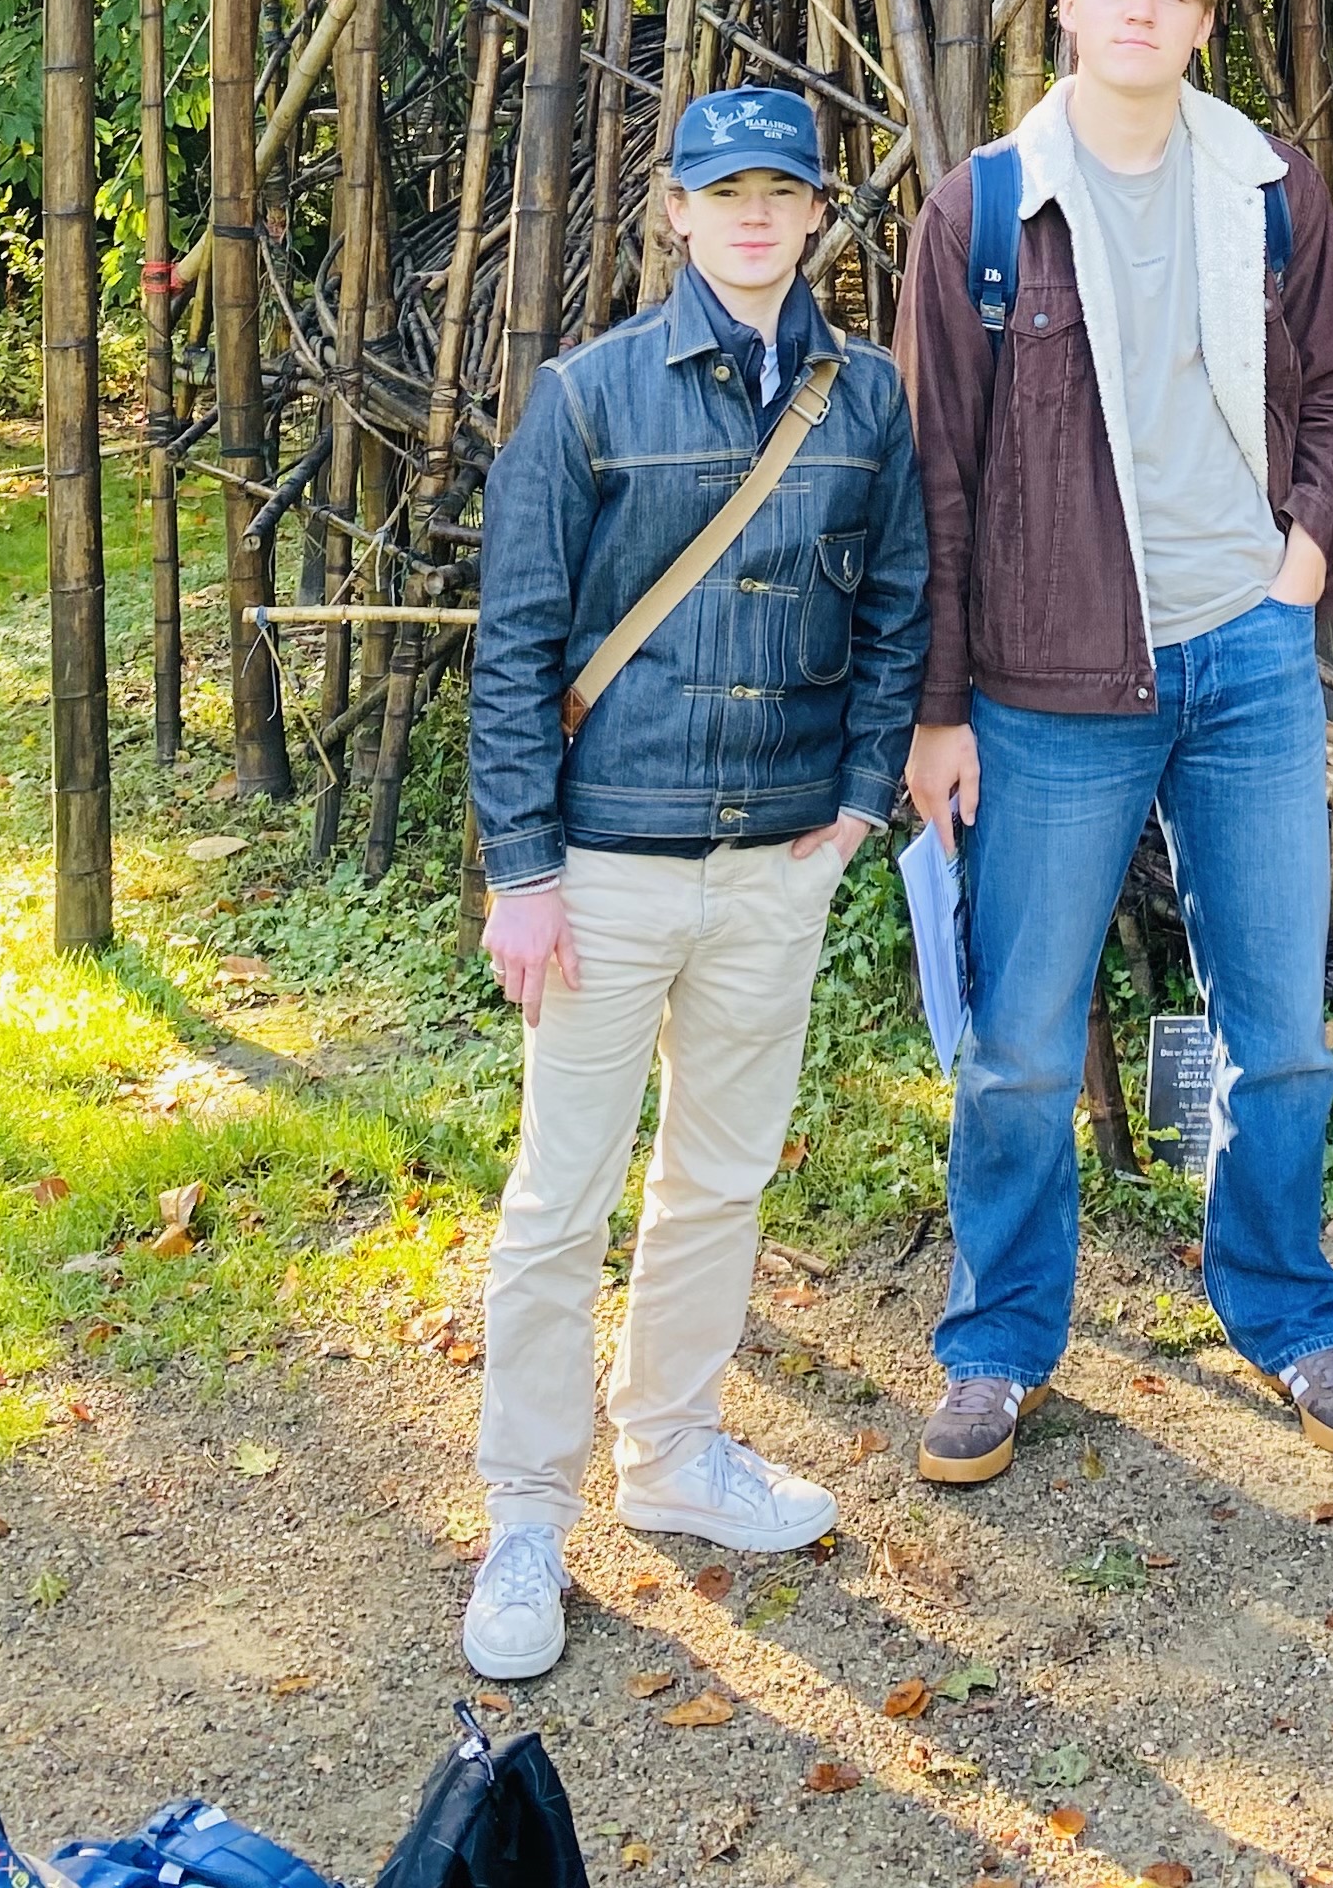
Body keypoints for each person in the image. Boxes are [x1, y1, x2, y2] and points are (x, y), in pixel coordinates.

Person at [896, 0, 1333, 1484]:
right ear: (1064, 4)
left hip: (1243, 655)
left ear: (1200, 17)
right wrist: (939, 708)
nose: (1140, 13)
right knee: (1025, 1041)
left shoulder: (1265, 188)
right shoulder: (986, 210)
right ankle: (995, 1346)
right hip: (1047, 682)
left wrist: (1303, 554)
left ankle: (1288, 1315)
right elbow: (938, 481)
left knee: (1283, 1033)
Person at [460, 85, 929, 1680]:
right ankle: (527, 1508)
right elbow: (516, 643)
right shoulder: (587, 395)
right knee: (559, 1198)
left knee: (720, 1178)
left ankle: (671, 1454)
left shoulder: (865, 401)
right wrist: (521, 872)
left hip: (776, 862)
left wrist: (862, 800)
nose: (749, 216)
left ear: (815, 215)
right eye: (720, 190)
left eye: (779, 193)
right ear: (672, 207)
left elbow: (901, 609)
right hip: (606, 866)